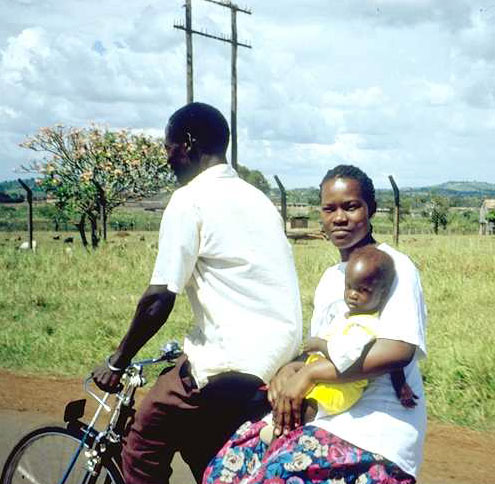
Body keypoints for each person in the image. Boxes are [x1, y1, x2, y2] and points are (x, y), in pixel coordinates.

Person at [92, 102, 302, 484]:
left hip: (232, 358)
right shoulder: (260, 200)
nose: (168, 158)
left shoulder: (190, 199)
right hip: (282, 356)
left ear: (187, 144)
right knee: (204, 445)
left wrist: (117, 361)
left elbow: (159, 297)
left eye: (169, 147)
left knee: (142, 441)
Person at [203, 164, 427, 484]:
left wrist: (309, 373)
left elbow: (398, 349)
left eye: (351, 206)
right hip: (326, 417)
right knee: (223, 471)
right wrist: (290, 370)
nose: (339, 217)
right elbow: (325, 346)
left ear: (371, 209)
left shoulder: (394, 266)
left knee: (271, 477)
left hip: (375, 430)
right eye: (329, 208)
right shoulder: (330, 279)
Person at [259, 245, 416, 445]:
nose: (353, 294)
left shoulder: (364, 326)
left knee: (307, 406)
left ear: (382, 293)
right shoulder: (350, 318)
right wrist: (400, 385)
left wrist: (320, 344)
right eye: (349, 287)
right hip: (325, 376)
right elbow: (392, 366)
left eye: (363, 290)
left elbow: (342, 356)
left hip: (339, 388)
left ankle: (282, 435)